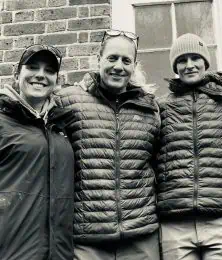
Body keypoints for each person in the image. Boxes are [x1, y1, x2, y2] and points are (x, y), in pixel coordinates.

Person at [53, 30, 161, 260]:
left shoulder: (150, 108)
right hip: (88, 239)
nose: (118, 66)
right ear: (98, 59)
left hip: (140, 238)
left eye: (126, 60)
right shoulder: (69, 100)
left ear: (134, 66)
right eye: (112, 58)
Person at [155, 33, 222, 260]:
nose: (189, 65)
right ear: (175, 66)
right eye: (182, 60)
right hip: (175, 225)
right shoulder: (161, 106)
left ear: (205, 62)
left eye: (195, 58)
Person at [0, 44, 75, 259]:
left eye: (49, 71)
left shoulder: (61, 126)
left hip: (59, 253)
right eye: (33, 67)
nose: (40, 75)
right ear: (17, 73)